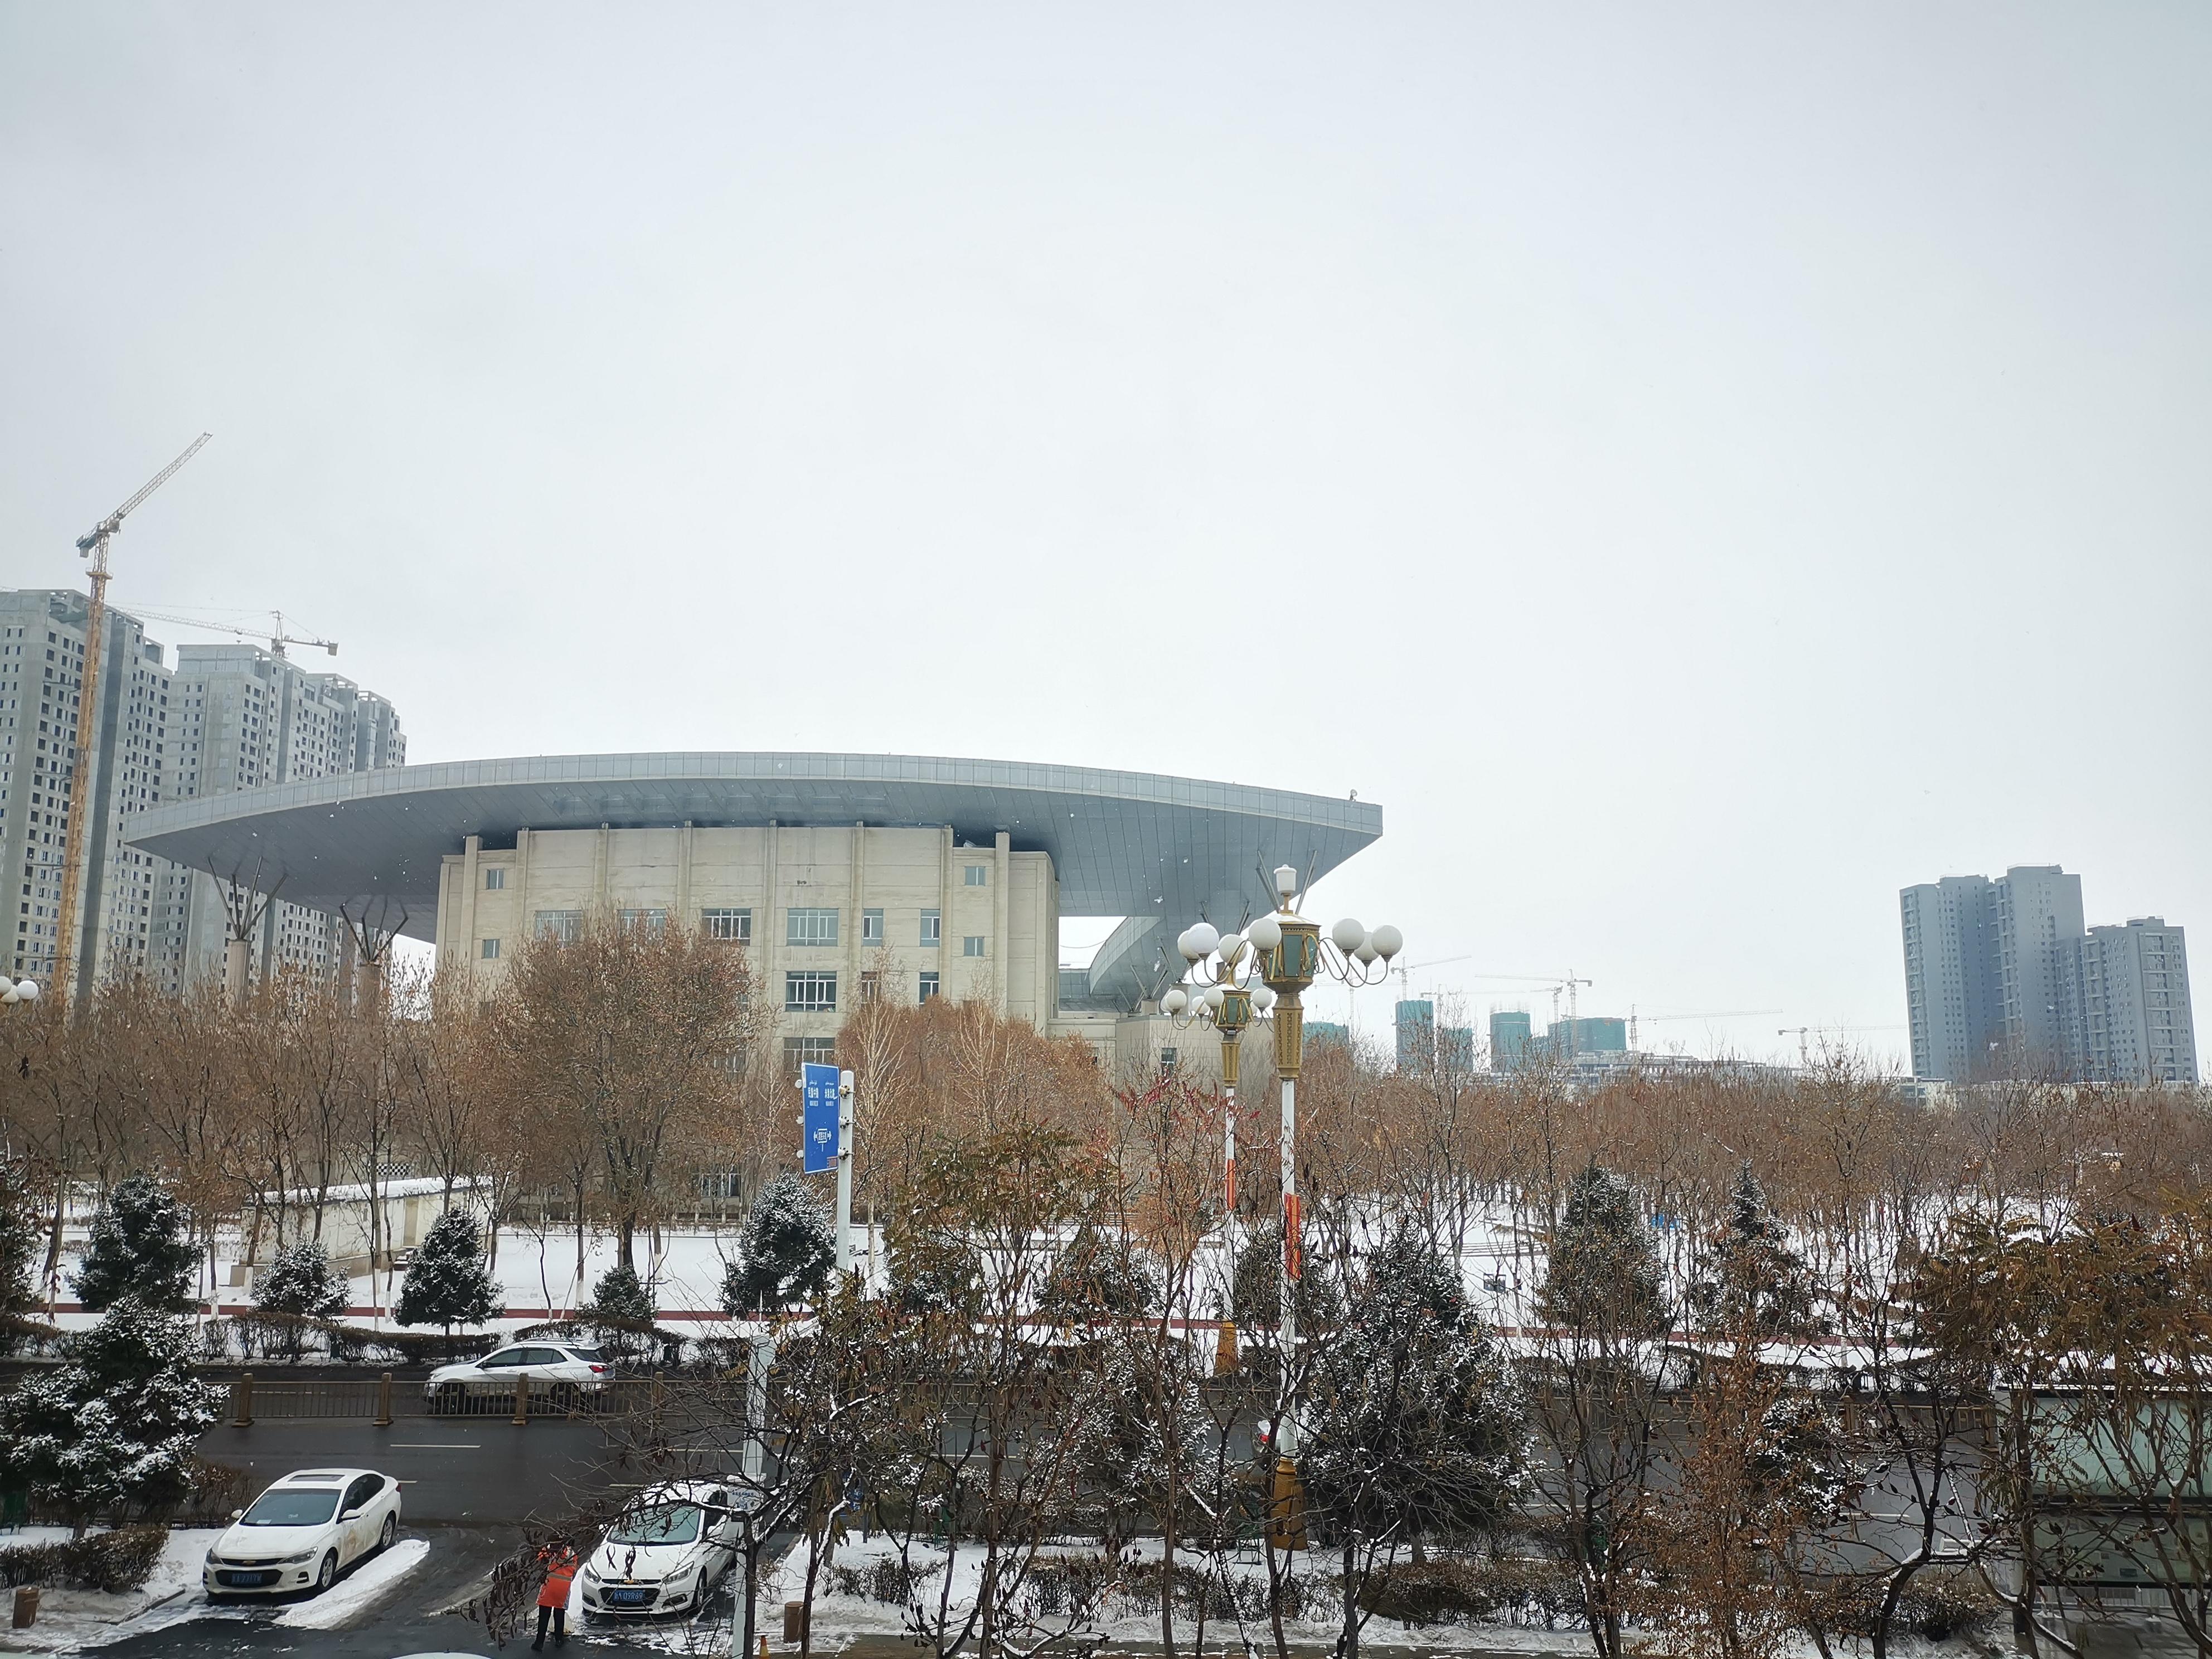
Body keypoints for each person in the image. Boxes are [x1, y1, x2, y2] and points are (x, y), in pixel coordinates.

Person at [532, 1536, 579, 1650]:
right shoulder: (572, 1554)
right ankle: (559, 1639)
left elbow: (538, 1560)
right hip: (563, 1589)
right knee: (559, 1614)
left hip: (549, 1586)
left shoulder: (549, 1551)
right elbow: (575, 1571)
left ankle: (539, 1643)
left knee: (544, 1616)